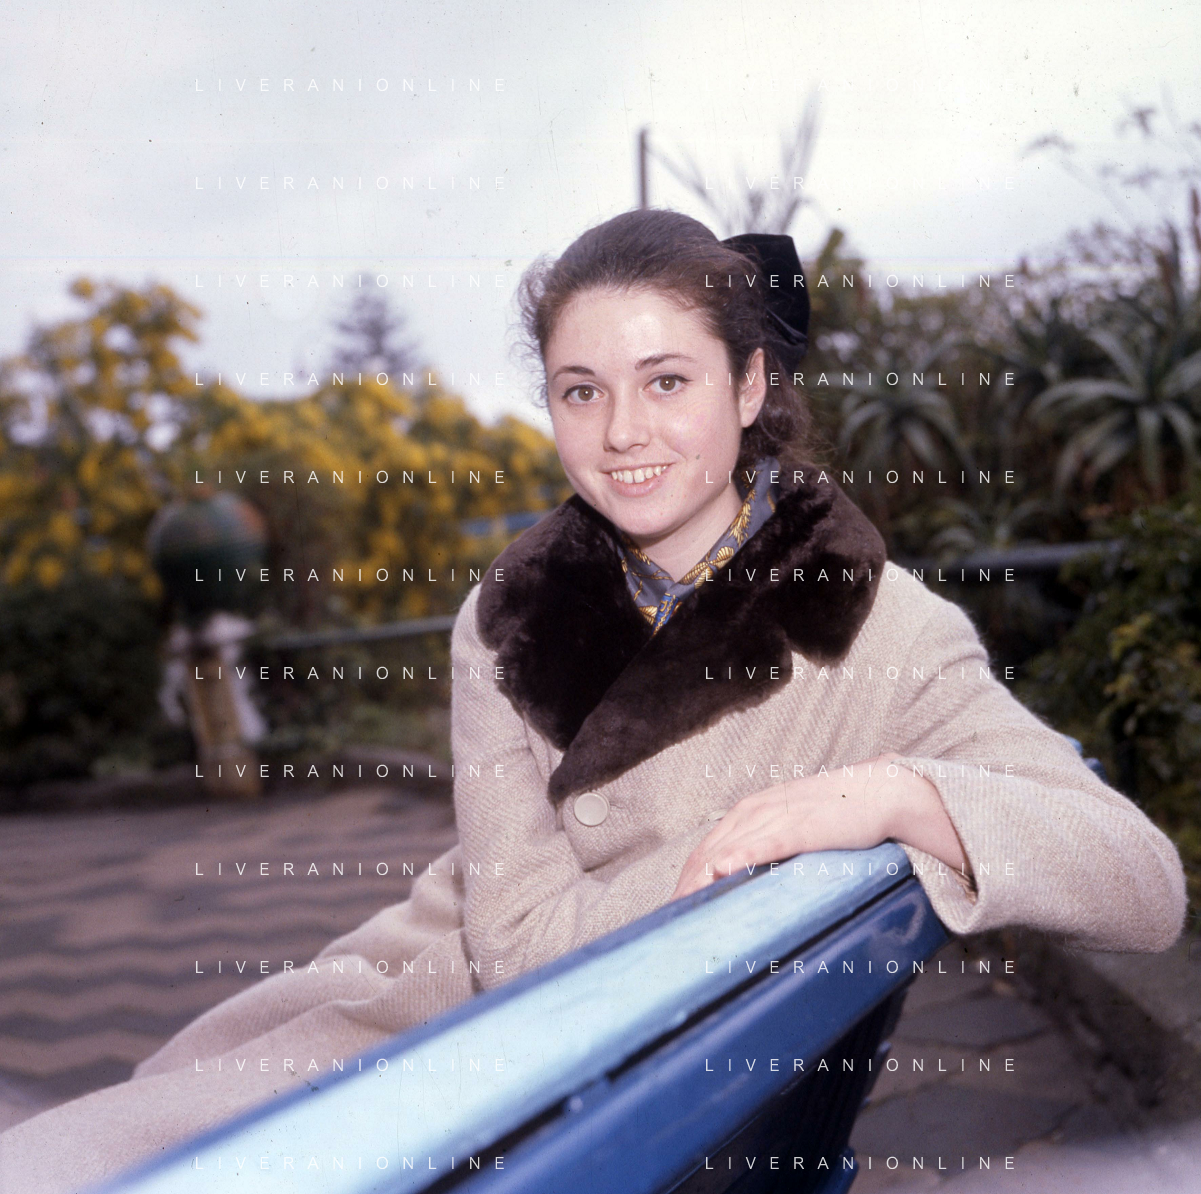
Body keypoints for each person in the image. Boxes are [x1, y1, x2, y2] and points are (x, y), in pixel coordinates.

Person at [0, 210, 1186, 1193]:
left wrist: (892, 794)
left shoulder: (877, 627)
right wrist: (743, 862)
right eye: (580, 391)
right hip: (420, 1006)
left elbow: (1141, 883)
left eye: (666, 380)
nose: (621, 434)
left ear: (749, 384)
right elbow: (511, 944)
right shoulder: (506, 616)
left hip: (566, 1095)